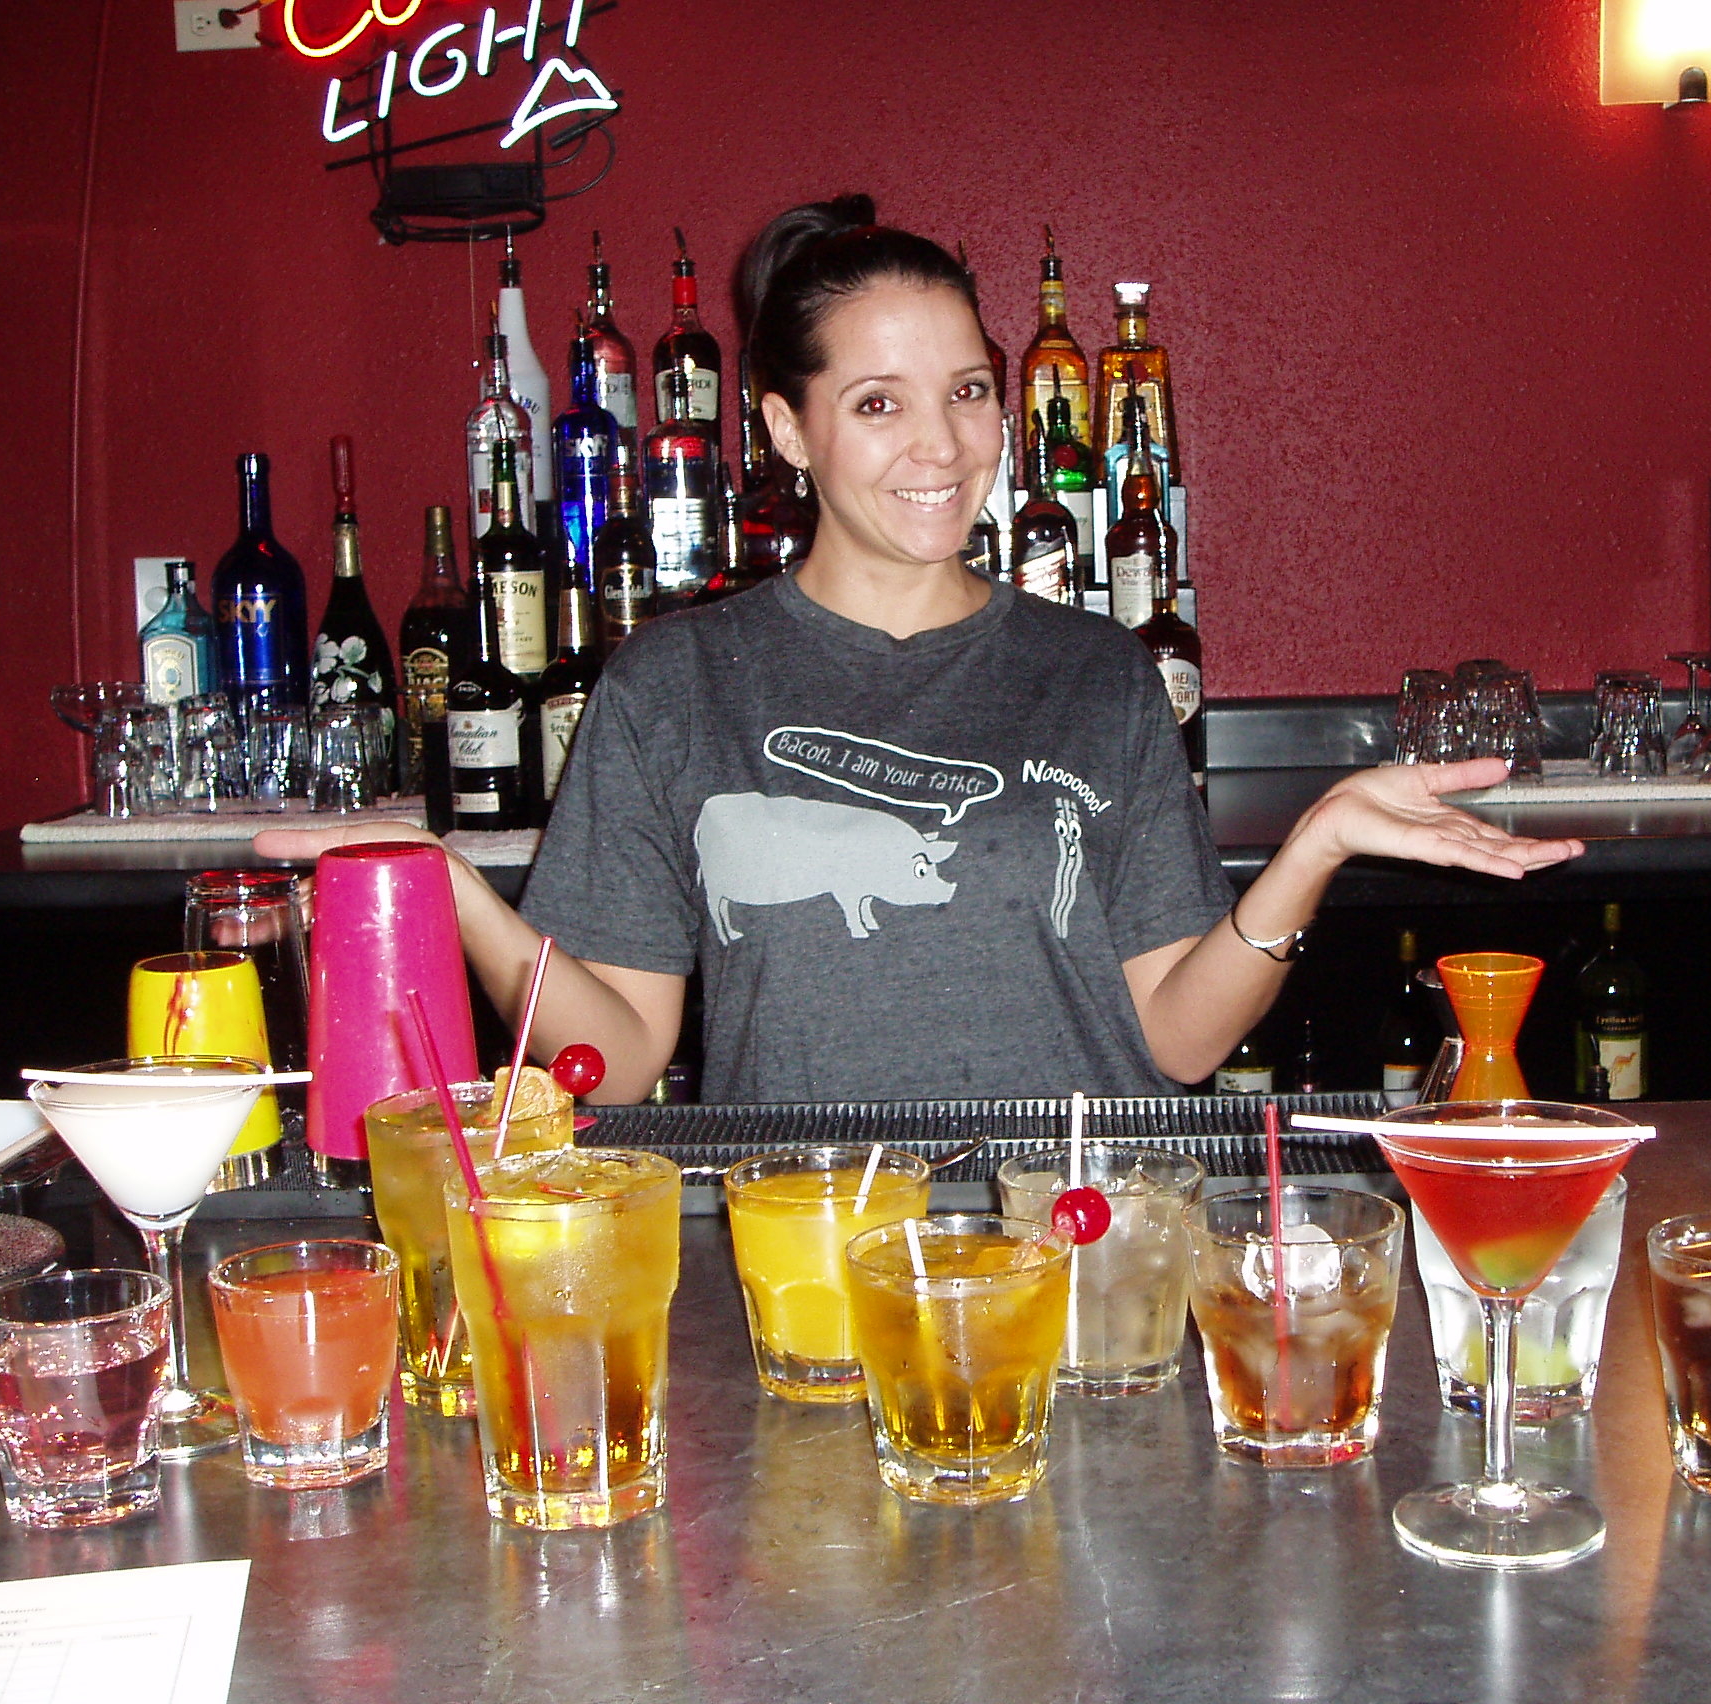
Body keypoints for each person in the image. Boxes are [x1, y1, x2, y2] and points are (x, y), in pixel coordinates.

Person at [260, 195, 1582, 1103]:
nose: (942, 446)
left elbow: (1174, 1041)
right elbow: (618, 1045)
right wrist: (456, 898)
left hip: (1076, 1241)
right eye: (878, 403)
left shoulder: (1096, 670)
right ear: (784, 430)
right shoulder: (674, 683)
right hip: (814, 1257)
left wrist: (1318, 847)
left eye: (965, 392)